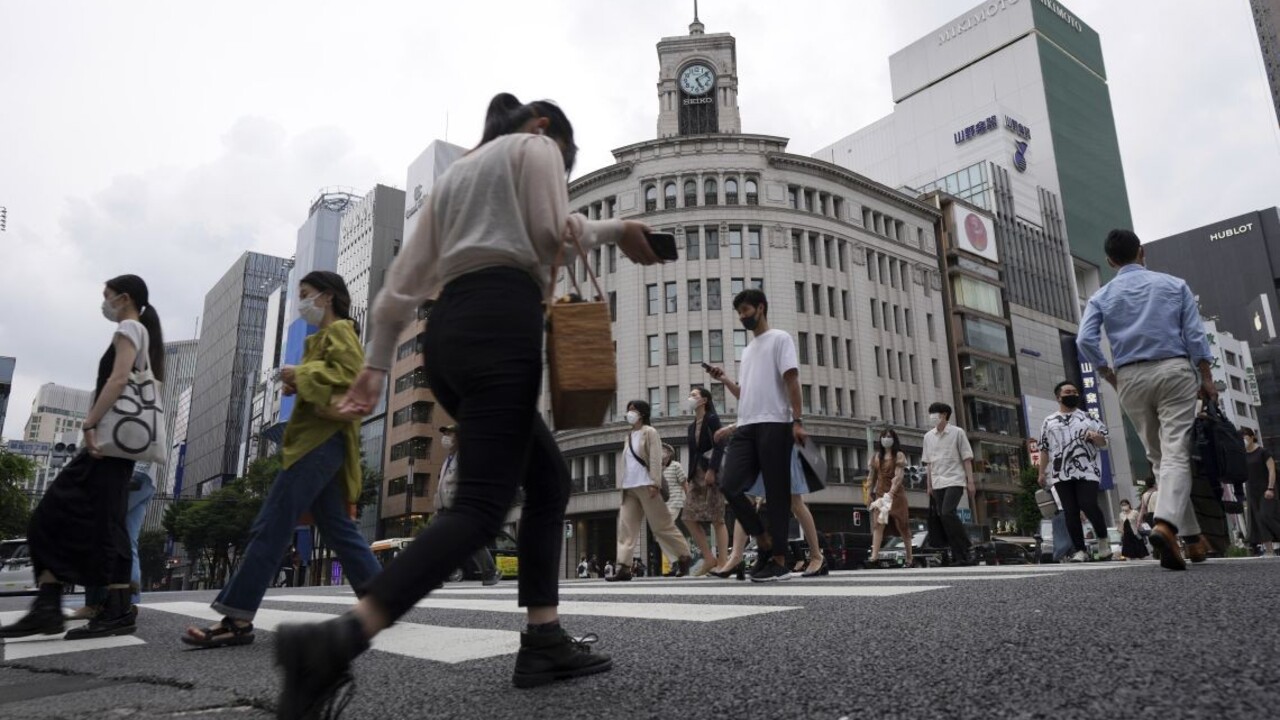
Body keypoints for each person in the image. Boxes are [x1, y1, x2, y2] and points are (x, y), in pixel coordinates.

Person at [272, 93, 663, 715]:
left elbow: (399, 286)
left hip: (447, 334)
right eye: (564, 162)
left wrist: (375, 368)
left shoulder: (456, 177)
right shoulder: (535, 146)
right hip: (502, 319)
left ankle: (544, 638)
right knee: (481, 508)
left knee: (548, 479)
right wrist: (617, 231)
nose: (558, 169)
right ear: (545, 129)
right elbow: (551, 234)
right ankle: (335, 641)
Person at [181, 271, 382, 649]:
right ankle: (382, 600)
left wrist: (301, 374)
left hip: (316, 443)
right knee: (337, 527)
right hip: (322, 442)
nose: (301, 302)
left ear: (326, 296)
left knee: (271, 526)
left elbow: (351, 375)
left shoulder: (339, 331)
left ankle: (237, 618)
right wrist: (299, 383)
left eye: (306, 293)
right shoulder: (319, 338)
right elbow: (332, 379)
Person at [1, 275, 165, 641]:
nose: (104, 303)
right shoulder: (141, 331)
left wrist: (89, 422)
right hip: (115, 445)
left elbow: (118, 380)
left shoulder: (129, 327)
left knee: (60, 516)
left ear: (125, 298)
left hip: (107, 443)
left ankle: (99, 609)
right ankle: (56, 606)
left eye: (108, 296)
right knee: (96, 521)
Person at [1077, 229, 1217, 571]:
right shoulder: (1174, 285)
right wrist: (1206, 376)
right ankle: (1166, 525)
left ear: (1110, 261)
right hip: (1173, 370)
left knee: (1160, 457)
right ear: (1142, 252)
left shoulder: (1102, 296)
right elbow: (1194, 334)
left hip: (1129, 377)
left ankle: (1192, 539)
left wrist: (1107, 373)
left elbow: (1084, 340)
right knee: (1175, 452)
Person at [706, 288, 806, 583]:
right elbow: (746, 394)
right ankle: (763, 540)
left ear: (761, 308)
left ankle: (778, 561)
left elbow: (791, 380)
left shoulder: (780, 339)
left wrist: (797, 420)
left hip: (776, 423)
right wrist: (725, 379)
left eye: (745, 311)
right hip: (747, 426)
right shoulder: (748, 351)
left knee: (777, 493)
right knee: (729, 484)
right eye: (739, 313)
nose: (742, 317)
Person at [609, 400, 693, 582]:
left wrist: (655, 482)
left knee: (661, 526)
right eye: (628, 410)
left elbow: (655, 458)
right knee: (625, 529)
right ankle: (623, 567)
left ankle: (684, 555)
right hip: (629, 488)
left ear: (642, 413)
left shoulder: (650, 432)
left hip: (647, 484)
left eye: (633, 410)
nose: (629, 413)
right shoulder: (628, 436)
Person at [1037, 380, 1112, 562]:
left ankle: (1103, 541)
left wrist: (1096, 437)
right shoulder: (1049, 421)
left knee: (1088, 504)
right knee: (1070, 511)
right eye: (1068, 392)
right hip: (1060, 472)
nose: (1072, 395)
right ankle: (1080, 550)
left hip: (1087, 470)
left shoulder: (1088, 417)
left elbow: (1105, 442)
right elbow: (1044, 449)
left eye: (1075, 392)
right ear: (1058, 397)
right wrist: (1041, 472)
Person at [73, 466, 157, 620]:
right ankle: (126, 603)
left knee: (97, 531)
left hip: (125, 473)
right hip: (148, 480)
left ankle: (95, 603)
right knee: (128, 540)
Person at [435, 424, 502, 586]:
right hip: (444, 508)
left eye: (449, 434)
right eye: (445, 434)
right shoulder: (448, 459)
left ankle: (490, 572)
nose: (445, 438)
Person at [922, 402, 976, 566]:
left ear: (944, 414)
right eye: (931, 413)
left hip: (955, 479)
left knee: (947, 512)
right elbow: (929, 463)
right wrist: (929, 485)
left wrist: (970, 482)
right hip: (937, 481)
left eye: (935, 413)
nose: (932, 417)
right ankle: (959, 556)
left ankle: (967, 546)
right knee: (944, 519)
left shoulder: (957, 432)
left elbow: (967, 458)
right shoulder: (928, 436)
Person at [684, 387, 730, 577]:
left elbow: (720, 444)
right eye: (690, 395)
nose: (690, 398)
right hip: (695, 476)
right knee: (688, 517)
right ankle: (709, 558)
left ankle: (723, 562)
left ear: (704, 400)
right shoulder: (691, 426)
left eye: (694, 395)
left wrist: (712, 469)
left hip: (712, 473)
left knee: (717, 518)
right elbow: (693, 453)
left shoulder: (712, 419)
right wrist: (690, 477)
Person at [868, 429, 913, 567]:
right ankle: (874, 556)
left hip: (897, 495)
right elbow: (871, 477)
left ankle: (909, 558)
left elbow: (898, 476)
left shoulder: (899, 455)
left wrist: (891, 493)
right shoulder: (876, 457)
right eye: (884, 436)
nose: (886, 439)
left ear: (894, 439)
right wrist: (869, 493)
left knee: (903, 525)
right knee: (878, 524)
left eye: (889, 436)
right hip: (880, 494)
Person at [1242, 428, 1280, 556]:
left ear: (1252, 437)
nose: (1243, 439)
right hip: (1252, 491)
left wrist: (1270, 488)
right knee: (1259, 520)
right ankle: (1269, 551)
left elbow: (1272, 470)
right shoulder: (1243, 455)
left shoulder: (1263, 452)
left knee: (1266, 515)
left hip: (1266, 489)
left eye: (1245, 436)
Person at [660, 444, 690, 575]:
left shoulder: (676, 465)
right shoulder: (657, 468)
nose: (660, 452)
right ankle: (679, 560)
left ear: (669, 453)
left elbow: (684, 483)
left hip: (674, 502)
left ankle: (678, 561)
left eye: (663, 450)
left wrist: (689, 500)